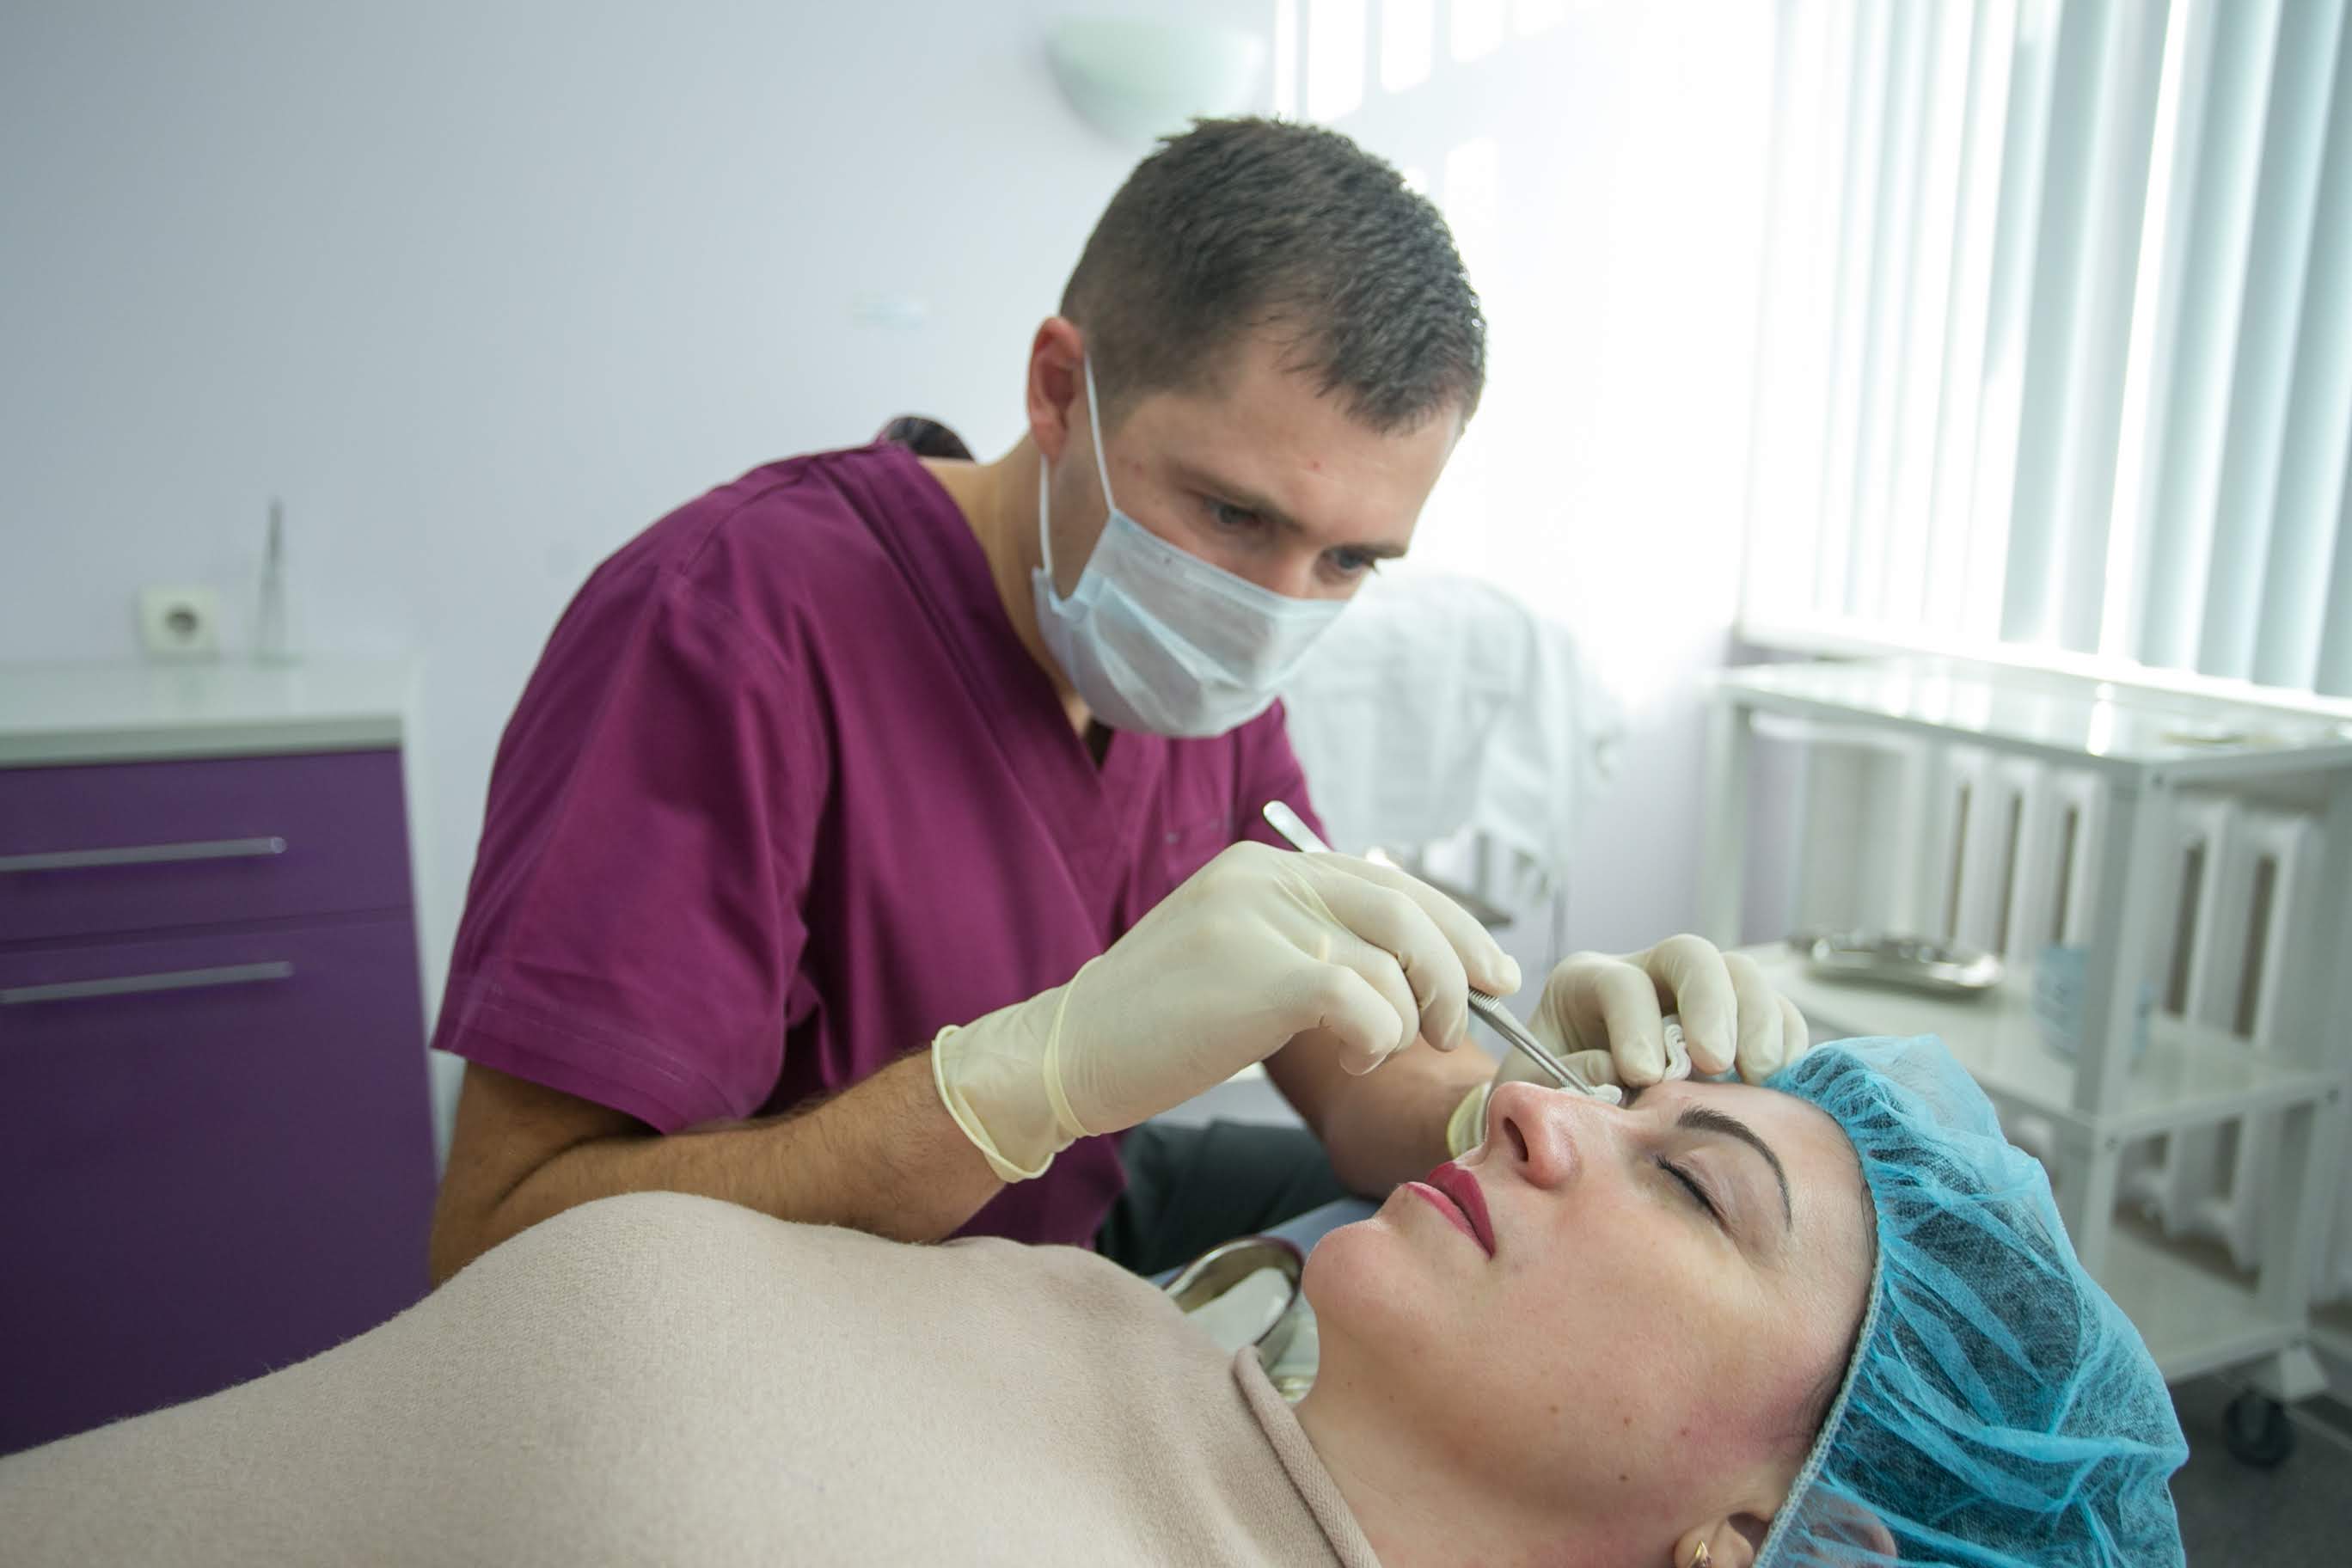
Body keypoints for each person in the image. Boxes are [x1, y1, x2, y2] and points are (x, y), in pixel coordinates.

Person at [426, 114, 1814, 1283]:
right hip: (801, 1328)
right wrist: (1013, 1084)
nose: (1271, 609)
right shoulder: (727, 628)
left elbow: (1353, 1080)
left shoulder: (1194, 682)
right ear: (1057, 389)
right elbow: (500, 1247)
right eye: (1231, 513)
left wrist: (1516, 1093)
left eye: (1349, 561)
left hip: (1049, 1248)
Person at [3, 1035, 2186, 1566]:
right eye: (1612, 1094)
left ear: (1767, 1543)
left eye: (1688, 1179)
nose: (1535, 1106)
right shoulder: (1206, 1342)